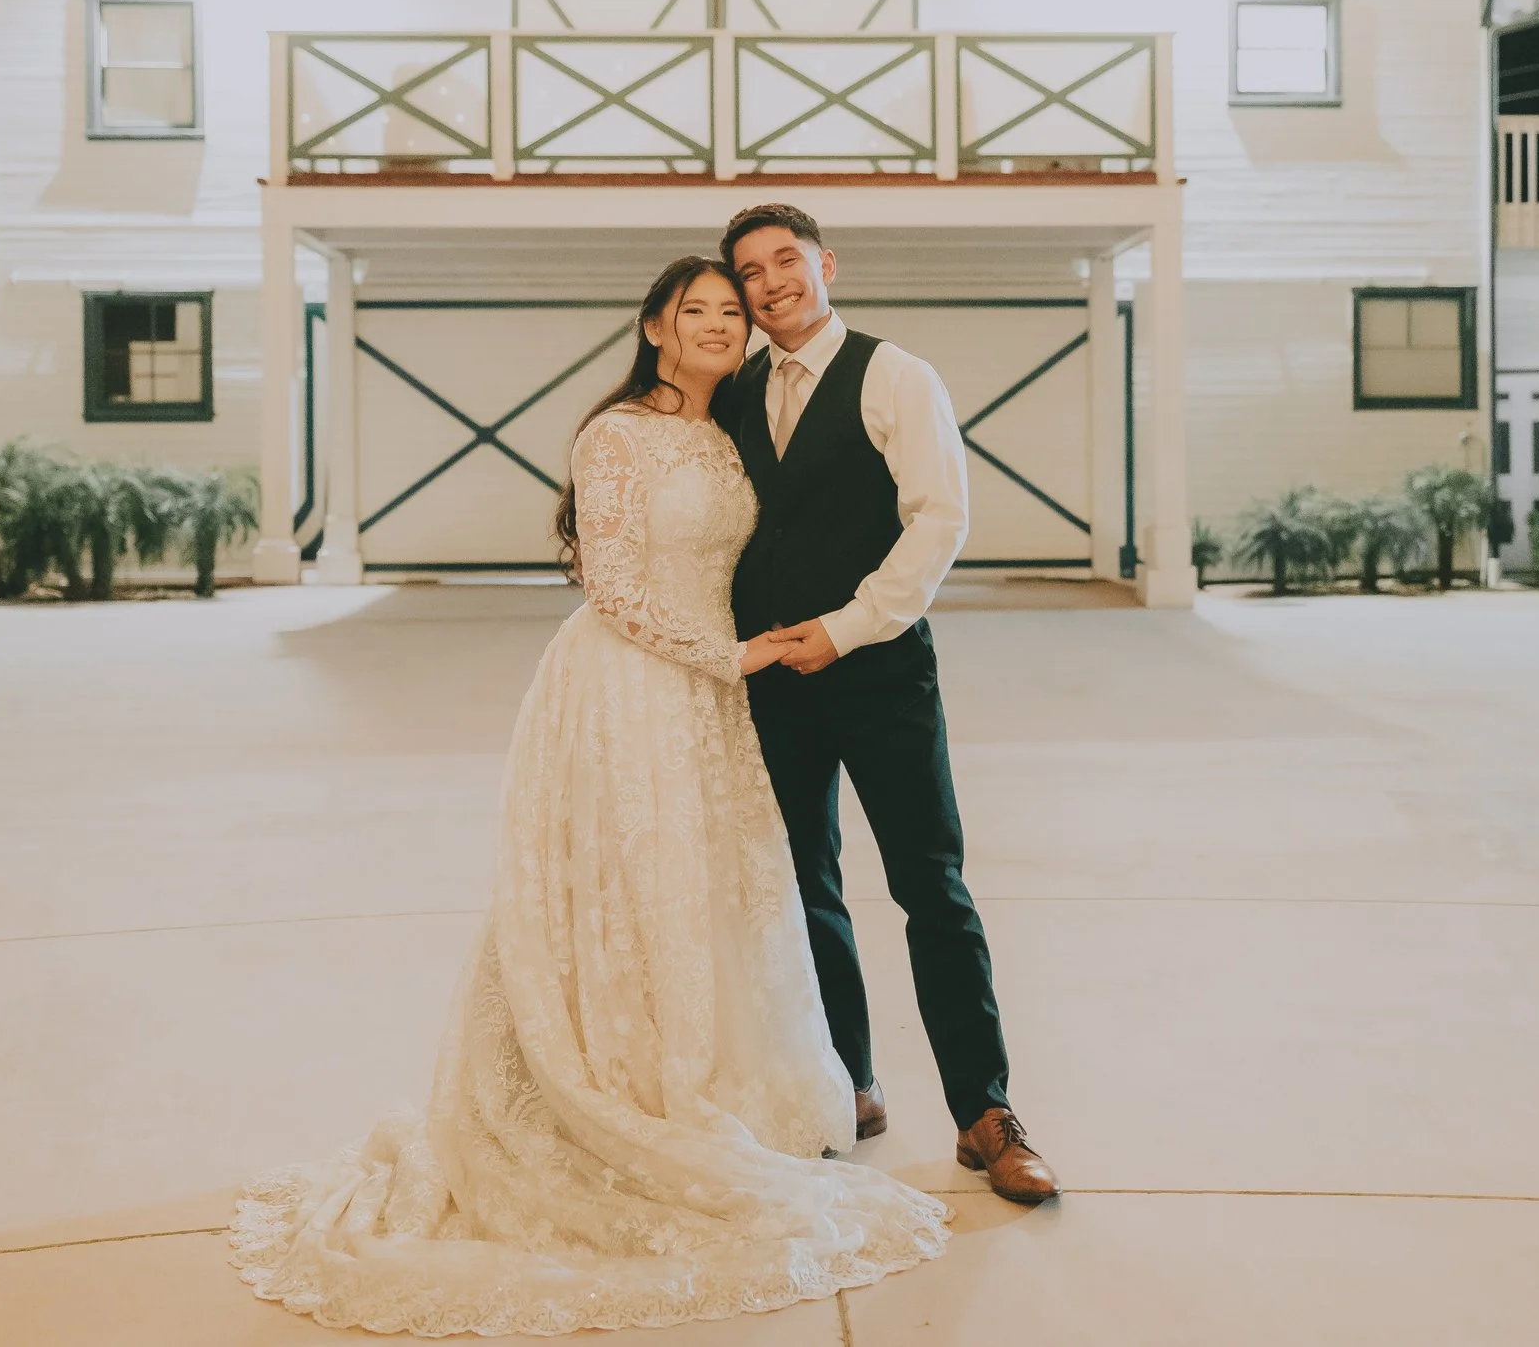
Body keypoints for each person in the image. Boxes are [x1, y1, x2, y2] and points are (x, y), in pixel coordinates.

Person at [229, 256, 949, 1337]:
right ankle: (611, 1084)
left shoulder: (736, 431)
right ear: (655, 327)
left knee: (709, 889)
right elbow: (611, 588)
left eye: (729, 309)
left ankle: (703, 1080)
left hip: (715, 692)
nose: (716, 322)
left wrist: (750, 656)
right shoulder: (614, 433)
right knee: (627, 882)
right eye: (694, 309)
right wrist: (733, 655)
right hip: (629, 683)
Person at [720, 203, 1060, 1206]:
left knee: (931, 890)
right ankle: (846, 1086)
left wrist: (848, 625)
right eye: (749, 270)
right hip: (772, 683)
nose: (771, 280)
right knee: (802, 887)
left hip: (880, 674)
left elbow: (937, 519)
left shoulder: (894, 375)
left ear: (825, 263)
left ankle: (985, 1112)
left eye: (786, 258)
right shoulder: (735, 390)